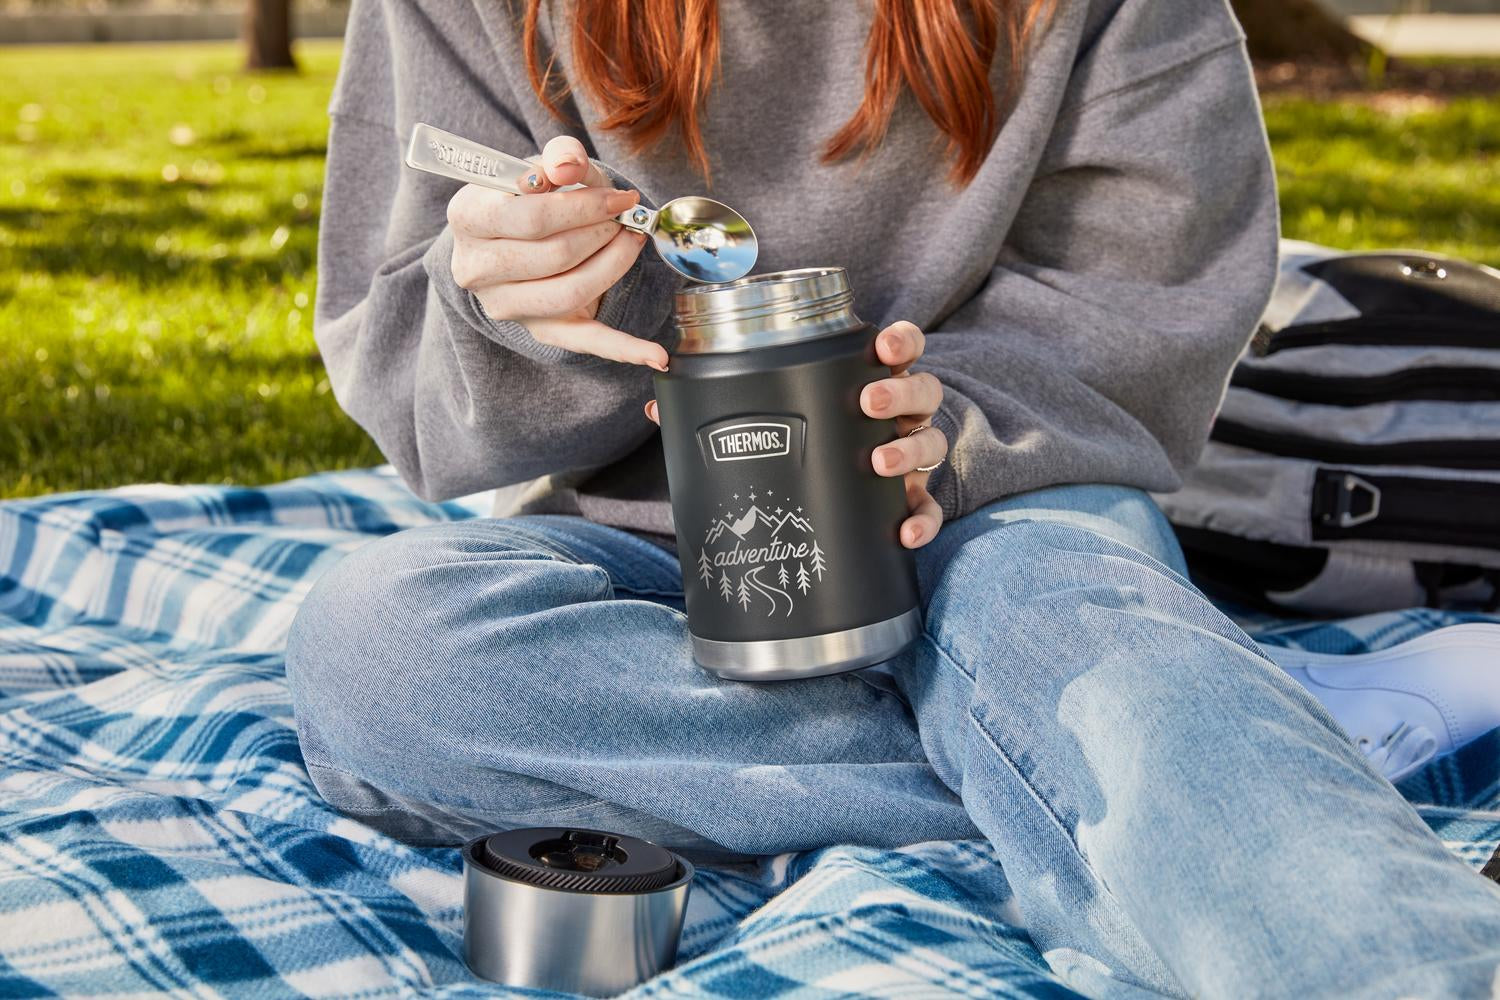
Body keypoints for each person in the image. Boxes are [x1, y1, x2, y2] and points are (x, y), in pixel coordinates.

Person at [286, 0, 1500, 995]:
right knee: (377, 648)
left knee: (1059, 611)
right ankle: (1200, 753)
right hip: (651, 544)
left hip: (1007, 510)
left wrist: (944, 432)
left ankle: (1203, 775)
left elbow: (1144, 301)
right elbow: (406, 388)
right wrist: (526, 307)